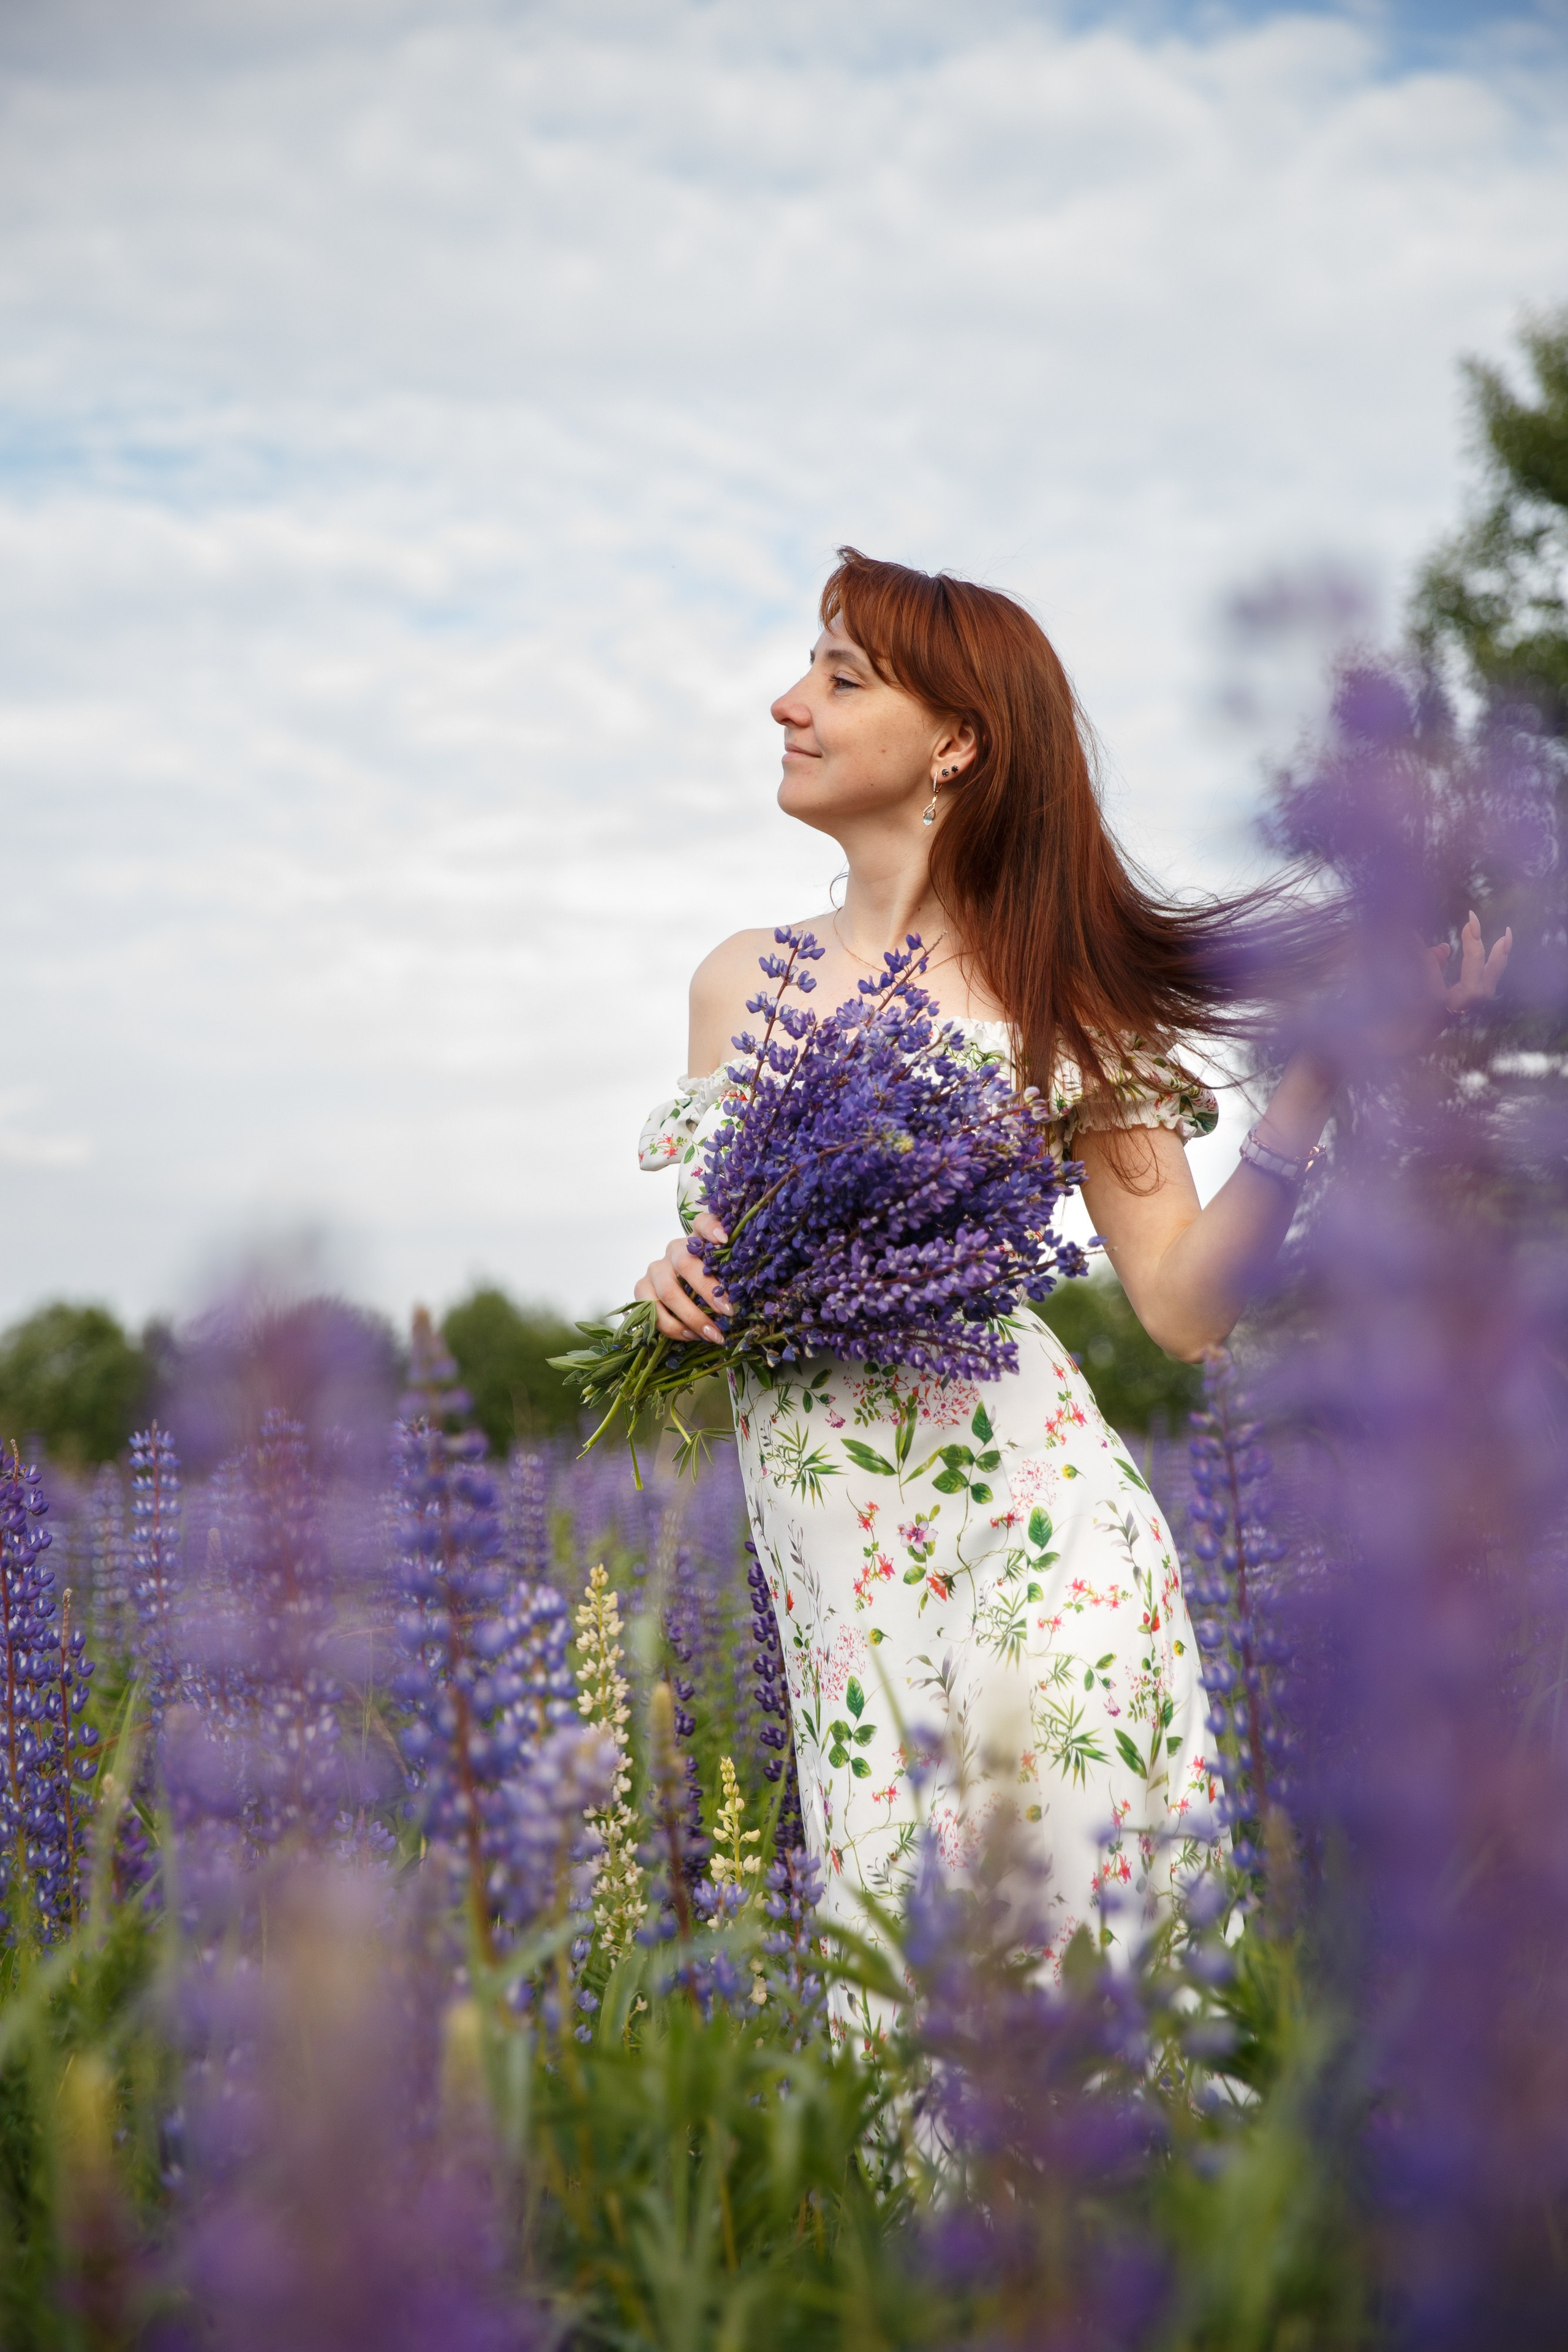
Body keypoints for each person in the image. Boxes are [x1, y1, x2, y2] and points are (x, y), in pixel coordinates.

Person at [635, 549, 1510, 2008]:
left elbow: (1177, 1307)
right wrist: (681, 1278)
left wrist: (1314, 1089)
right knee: (905, 1993)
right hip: (837, 1557)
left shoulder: (1066, 997)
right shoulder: (741, 982)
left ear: (956, 742)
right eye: (807, 668)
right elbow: (730, 1248)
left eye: (839, 678)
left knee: (1073, 1967)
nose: (788, 702)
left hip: (1043, 1535)